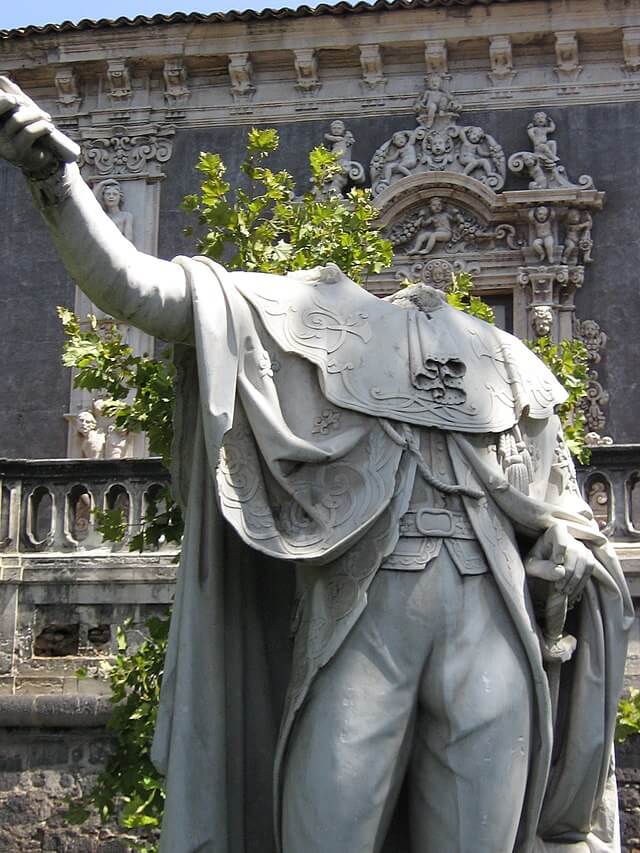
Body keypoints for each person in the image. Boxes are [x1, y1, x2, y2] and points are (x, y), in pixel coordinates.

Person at [0, 77, 632, 853]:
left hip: (492, 633)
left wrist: (568, 552)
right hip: (360, 623)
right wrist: (56, 176)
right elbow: (138, 288)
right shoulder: (300, 322)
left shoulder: (513, 368)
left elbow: (568, 521)